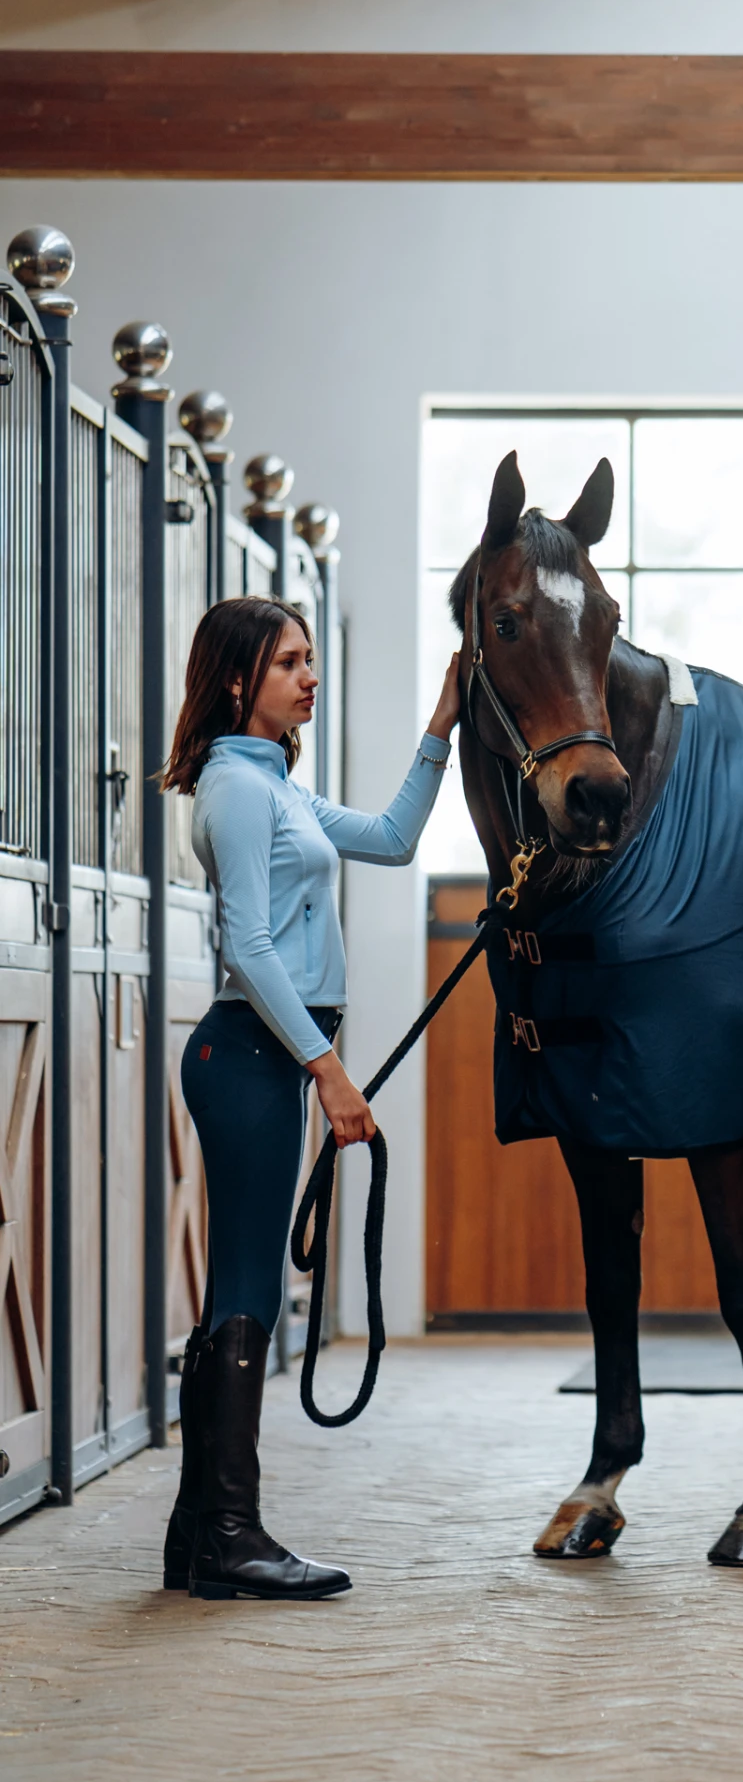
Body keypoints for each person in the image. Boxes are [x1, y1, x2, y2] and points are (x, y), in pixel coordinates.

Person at [158, 596, 462, 1600]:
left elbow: (394, 838)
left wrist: (442, 726)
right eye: (290, 662)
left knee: (238, 1288)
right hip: (250, 1055)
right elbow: (248, 947)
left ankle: (200, 1534)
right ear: (237, 679)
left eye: (311, 659)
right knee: (248, 1286)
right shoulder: (238, 791)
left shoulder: (275, 784)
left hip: (266, 1057)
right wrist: (327, 1069)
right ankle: (231, 1535)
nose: (310, 676)